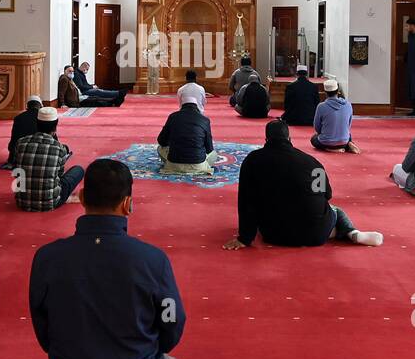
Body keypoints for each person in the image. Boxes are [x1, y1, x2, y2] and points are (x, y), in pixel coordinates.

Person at [29, 159, 187, 359]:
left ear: (83, 198)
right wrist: (156, 350)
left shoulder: (47, 258)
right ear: (128, 204)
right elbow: (172, 324)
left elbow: (44, 332)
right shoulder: (152, 260)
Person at [224, 119, 383, 250]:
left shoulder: (252, 161)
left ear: (266, 140)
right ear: (289, 139)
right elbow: (326, 195)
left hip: (274, 234)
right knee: (336, 210)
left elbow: (246, 201)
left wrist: (245, 238)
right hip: (317, 234)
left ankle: (345, 232)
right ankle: (351, 232)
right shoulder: (311, 162)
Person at [14, 106, 85, 211]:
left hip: (21, 201)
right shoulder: (59, 148)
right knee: (78, 170)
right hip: (50, 203)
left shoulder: (20, 143)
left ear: (37, 124)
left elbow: (17, 169)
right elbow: (59, 176)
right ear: (55, 126)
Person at [158, 91, 220, 175]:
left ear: (182, 106)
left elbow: (161, 141)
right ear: (197, 106)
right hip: (197, 165)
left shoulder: (173, 117)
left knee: (159, 148)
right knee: (214, 154)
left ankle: (174, 167)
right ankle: (200, 168)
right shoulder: (204, 120)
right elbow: (209, 148)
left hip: (174, 165)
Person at [311, 79, 361, 153]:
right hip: (344, 141)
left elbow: (317, 127)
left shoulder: (321, 106)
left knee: (313, 139)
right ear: (338, 91)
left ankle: (330, 149)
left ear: (325, 92)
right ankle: (348, 144)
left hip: (326, 142)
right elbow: (348, 126)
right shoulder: (348, 104)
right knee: (346, 134)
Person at [7, 95, 43, 165]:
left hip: (21, 155)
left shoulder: (18, 118)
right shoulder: (43, 117)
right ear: (40, 106)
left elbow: (13, 140)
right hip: (40, 155)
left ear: (27, 107)